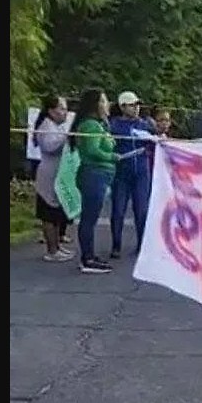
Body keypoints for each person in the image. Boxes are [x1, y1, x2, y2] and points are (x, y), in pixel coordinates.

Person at [70, 88, 118, 274]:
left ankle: (90, 254)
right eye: (104, 101)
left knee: (92, 218)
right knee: (89, 219)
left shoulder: (99, 125)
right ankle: (87, 259)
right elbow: (92, 151)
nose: (107, 105)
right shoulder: (90, 125)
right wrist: (111, 156)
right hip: (93, 175)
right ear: (95, 104)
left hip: (100, 175)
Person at [108, 91, 157, 259]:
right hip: (121, 173)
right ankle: (116, 245)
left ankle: (142, 244)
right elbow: (108, 146)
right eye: (132, 105)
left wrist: (154, 142)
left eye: (137, 104)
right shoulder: (113, 125)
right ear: (122, 107)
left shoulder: (145, 125)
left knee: (141, 209)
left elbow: (155, 145)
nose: (136, 108)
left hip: (142, 172)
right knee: (118, 209)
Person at [33, 95, 74, 262]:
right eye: (61, 108)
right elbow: (49, 146)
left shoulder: (58, 126)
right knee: (48, 214)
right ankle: (51, 250)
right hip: (48, 175)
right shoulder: (45, 126)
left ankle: (57, 246)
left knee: (57, 213)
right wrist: (66, 136)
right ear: (51, 111)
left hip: (58, 174)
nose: (65, 112)